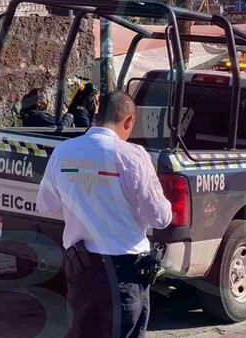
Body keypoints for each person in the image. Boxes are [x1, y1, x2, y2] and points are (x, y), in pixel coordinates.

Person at [36, 91, 172, 338]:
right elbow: (161, 217)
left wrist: (81, 208)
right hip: (125, 273)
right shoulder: (134, 157)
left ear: (96, 116)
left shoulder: (63, 152)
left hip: (81, 270)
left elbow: (45, 205)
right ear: (128, 121)